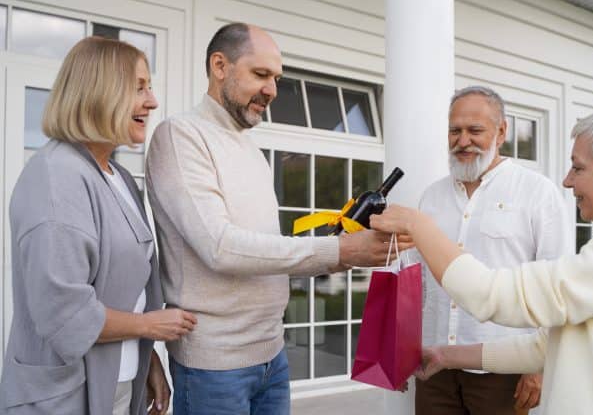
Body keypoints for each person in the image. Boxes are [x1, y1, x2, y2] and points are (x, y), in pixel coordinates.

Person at [145, 22, 403, 415]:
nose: (272, 90)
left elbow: (263, 249)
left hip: (272, 355)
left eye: (276, 79)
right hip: (215, 365)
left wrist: (337, 241)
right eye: (260, 74)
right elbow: (220, 247)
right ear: (220, 66)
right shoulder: (180, 136)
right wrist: (338, 250)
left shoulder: (251, 149)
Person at [370, 105, 593, 414]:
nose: (568, 181)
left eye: (578, 167)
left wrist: (418, 225)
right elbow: (546, 345)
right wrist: (446, 355)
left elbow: (491, 295)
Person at [0, 37, 197, 415]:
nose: (152, 101)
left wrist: (148, 359)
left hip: (121, 382)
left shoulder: (119, 177)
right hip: (65, 394)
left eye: (149, 87)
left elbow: (129, 289)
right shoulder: (55, 177)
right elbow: (65, 313)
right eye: (138, 87)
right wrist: (149, 327)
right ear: (98, 92)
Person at [411, 86, 570, 415]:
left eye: (475, 130)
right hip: (434, 364)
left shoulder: (538, 192)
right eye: (455, 130)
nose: (463, 140)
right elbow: (417, 284)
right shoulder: (431, 197)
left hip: (503, 371)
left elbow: (556, 286)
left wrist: (540, 366)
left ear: (502, 131)